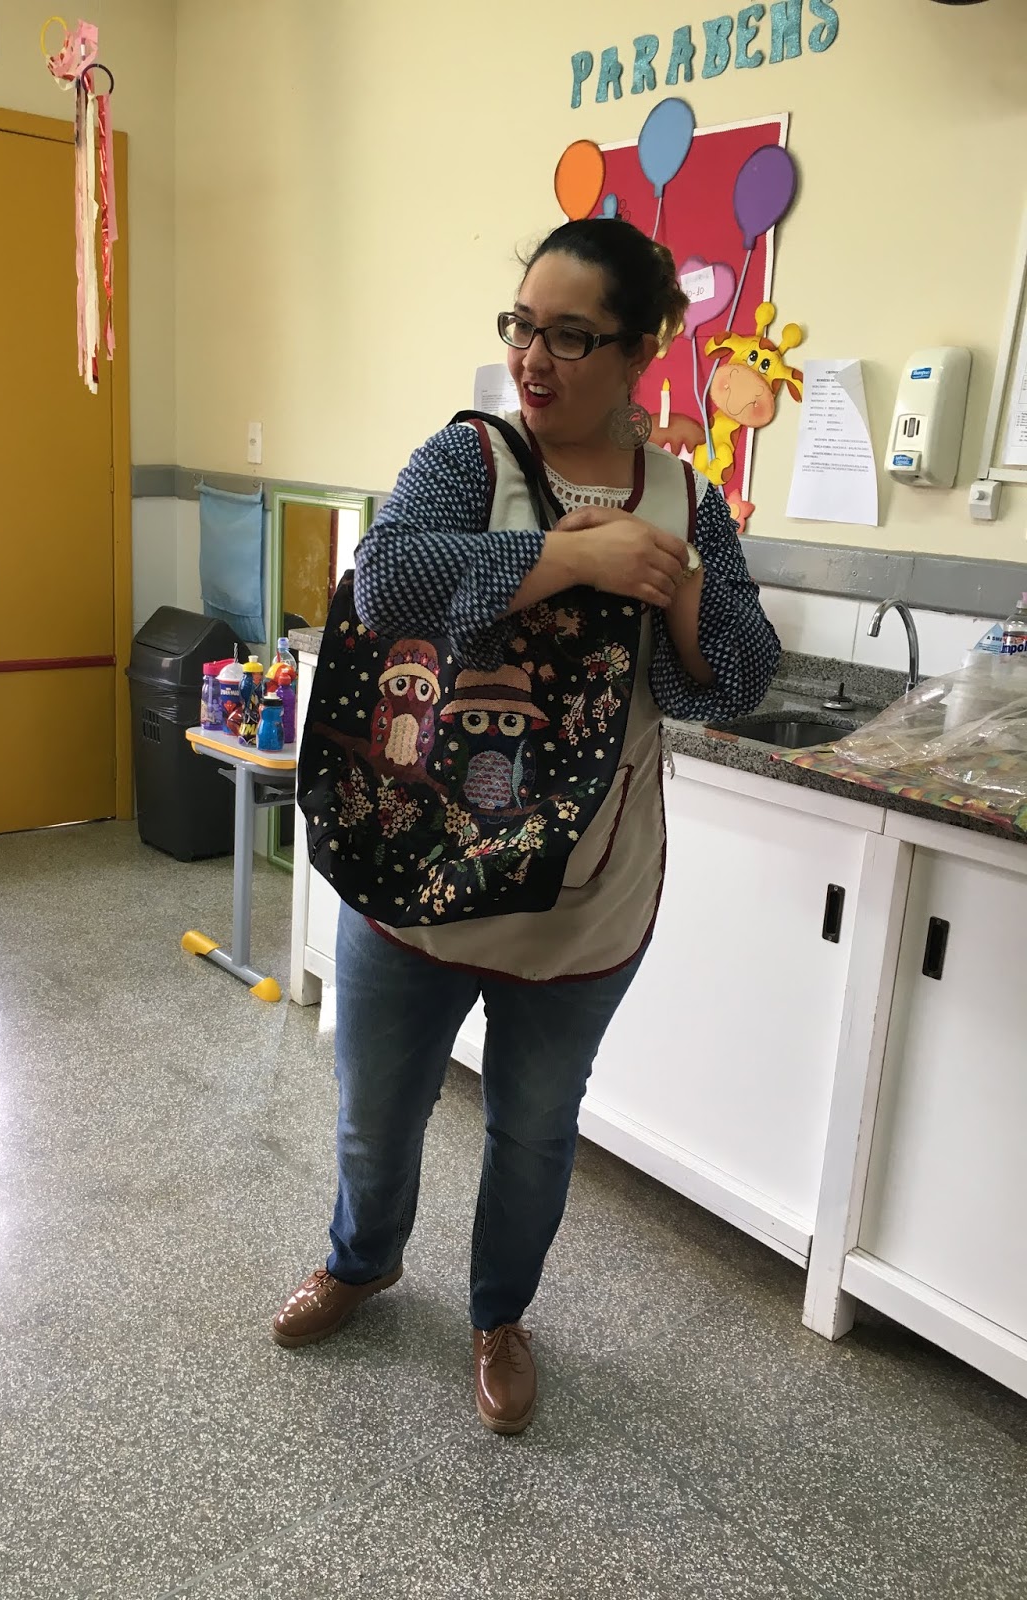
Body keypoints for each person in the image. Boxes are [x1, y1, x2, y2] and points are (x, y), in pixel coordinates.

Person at [273, 218, 780, 1435]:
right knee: (376, 1108)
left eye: (571, 335)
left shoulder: (687, 501)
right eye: (522, 326)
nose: (533, 359)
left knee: (536, 1129)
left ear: (642, 350)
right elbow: (388, 581)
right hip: (421, 864)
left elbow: (737, 680)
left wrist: (679, 583)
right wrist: (568, 558)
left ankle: (500, 1316)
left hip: (584, 890)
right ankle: (361, 1260)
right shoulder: (470, 457)